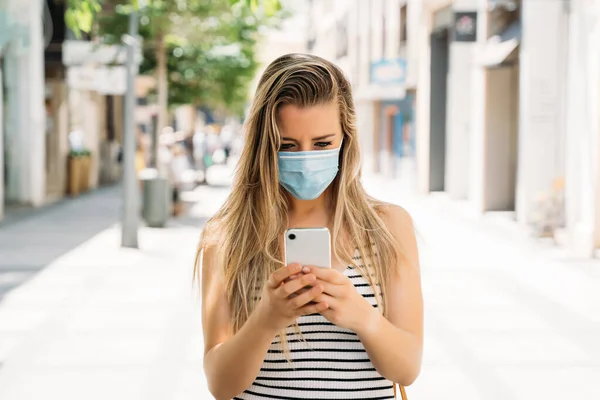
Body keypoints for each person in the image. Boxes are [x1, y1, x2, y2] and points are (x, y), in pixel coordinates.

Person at [197, 53, 423, 400]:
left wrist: (361, 315)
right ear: (263, 145)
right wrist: (266, 320)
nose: (305, 158)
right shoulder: (226, 236)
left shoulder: (388, 226)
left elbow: (406, 369)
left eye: (322, 144)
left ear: (346, 137)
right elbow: (221, 386)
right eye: (287, 146)